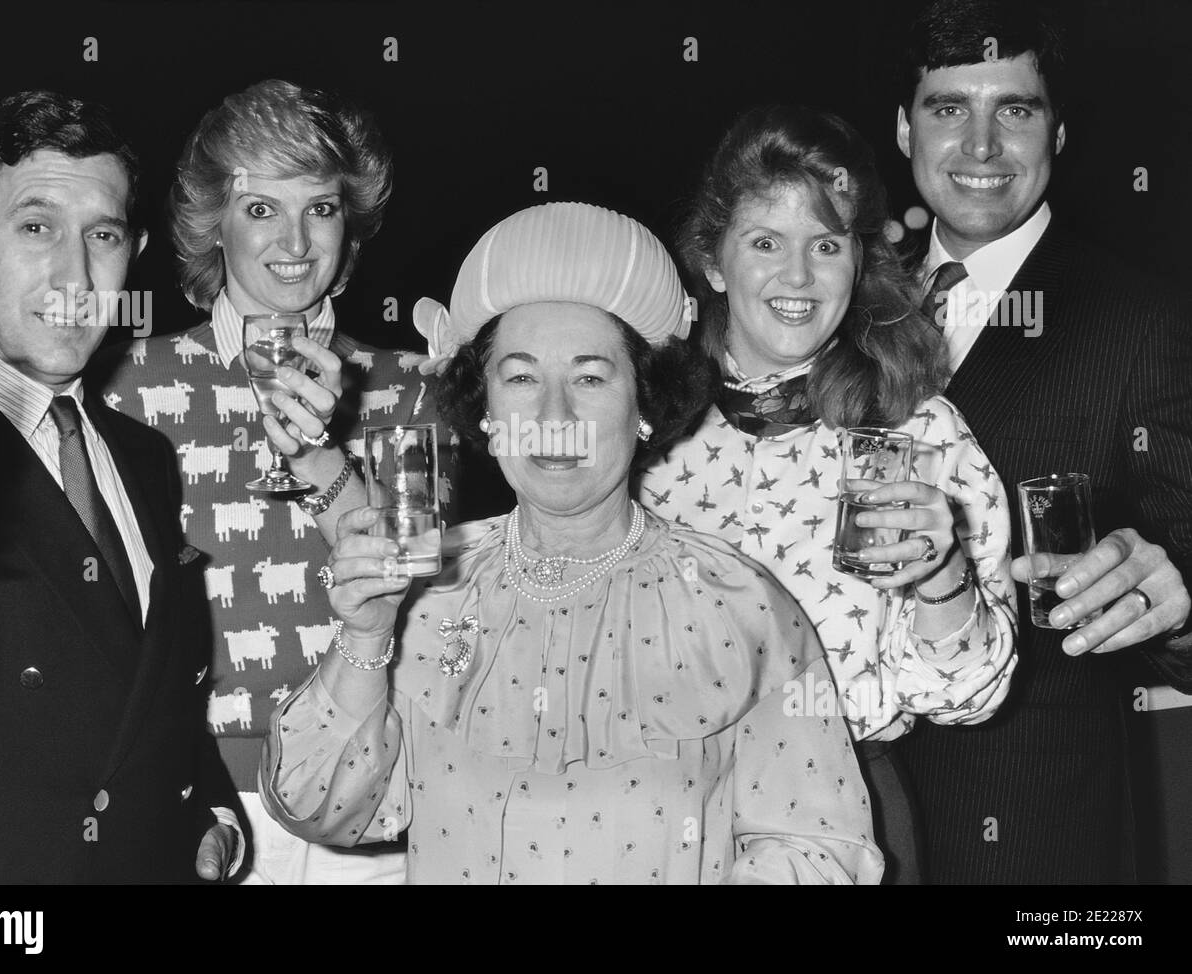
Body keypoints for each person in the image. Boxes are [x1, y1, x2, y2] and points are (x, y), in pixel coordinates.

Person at [258, 201, 884, 884]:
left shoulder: (738, 603)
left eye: (590, 377)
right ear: (486, 409)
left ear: (644, 404)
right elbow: (321, 808)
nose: (553, 417)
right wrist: (368, 635)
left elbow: (818, 848)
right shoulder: (428, 589)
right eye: (521, 378)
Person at [640, 105, 1017, 884]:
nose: (799, 277)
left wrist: (941, 576)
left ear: (859, 262)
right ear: (713, 261)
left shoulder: (922, 432)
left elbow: (971, 699)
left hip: (851, 807)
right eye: (766, 242)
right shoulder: (646, 432)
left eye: (827, 245)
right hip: (661, 815)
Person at [94, 79, 454, 884]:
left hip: (372, 793)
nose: (295, 239)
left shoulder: (412, 385)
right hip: (200, 803)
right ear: (211, 224)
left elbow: (427, 607)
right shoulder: (129, 382)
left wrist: (325, 458)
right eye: (262, 209)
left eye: (320, 208)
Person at [0, 90, 241, 882]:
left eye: (104, 236)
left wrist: (209, 815)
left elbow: (150, 690)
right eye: (37, 226)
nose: (74, 275)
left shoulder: (146, 456)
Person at [893, 0, 1192, 883]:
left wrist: (1178, 604)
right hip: (836, 807)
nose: (981, 146)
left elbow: (1178, 588)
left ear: (1058, 133)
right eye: (950, 108)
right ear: (905, 130)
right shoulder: (839, 304)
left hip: (1033, 833)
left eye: (1015, 110)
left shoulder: (1141, 321)